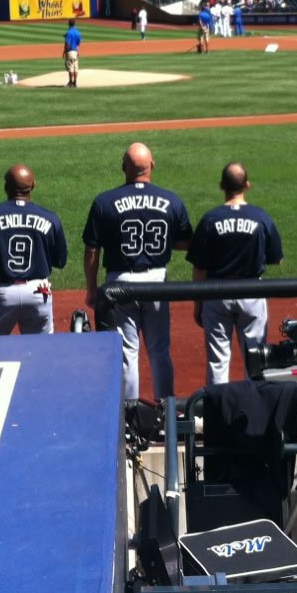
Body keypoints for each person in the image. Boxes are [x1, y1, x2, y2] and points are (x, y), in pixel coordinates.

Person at [83, 142, 192, 401]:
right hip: (157, 281)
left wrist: (91, 289)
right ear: (152, 166)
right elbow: (187, 242)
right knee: (159, 349)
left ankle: (130, 417)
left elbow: (92, 250)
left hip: (120, 282)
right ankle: (166, 412)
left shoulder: (105, 201)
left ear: (123, 167)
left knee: (126, 352)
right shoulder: (171, 200)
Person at [187, 163, 284, 387]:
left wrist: (198, 304)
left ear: (222, 185)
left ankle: (219, 414)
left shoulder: (211, 218)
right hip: (252, 293)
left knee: (218, 361)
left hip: (216, 294)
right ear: (247, 185)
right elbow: (277, 258)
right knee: (256, 359)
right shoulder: (261, 217)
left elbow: (199, 267)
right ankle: (254, 411)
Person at [0, 163, 68, 336]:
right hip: (38, 291)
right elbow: (61, 260)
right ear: (33, 186)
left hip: (1, 291)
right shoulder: (50, 218)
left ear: (5, 186)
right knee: (41, 350)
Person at [62, 18, 82, 88]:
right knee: (75, 67)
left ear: (69, 24)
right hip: (76, 52)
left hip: (70, 51)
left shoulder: (68, 33)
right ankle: (75, 82)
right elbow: (79, 43)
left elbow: (67, 44)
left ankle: (70, 82)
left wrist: (65, 52)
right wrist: (77, 51)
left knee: (70, 67)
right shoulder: (78, 33)